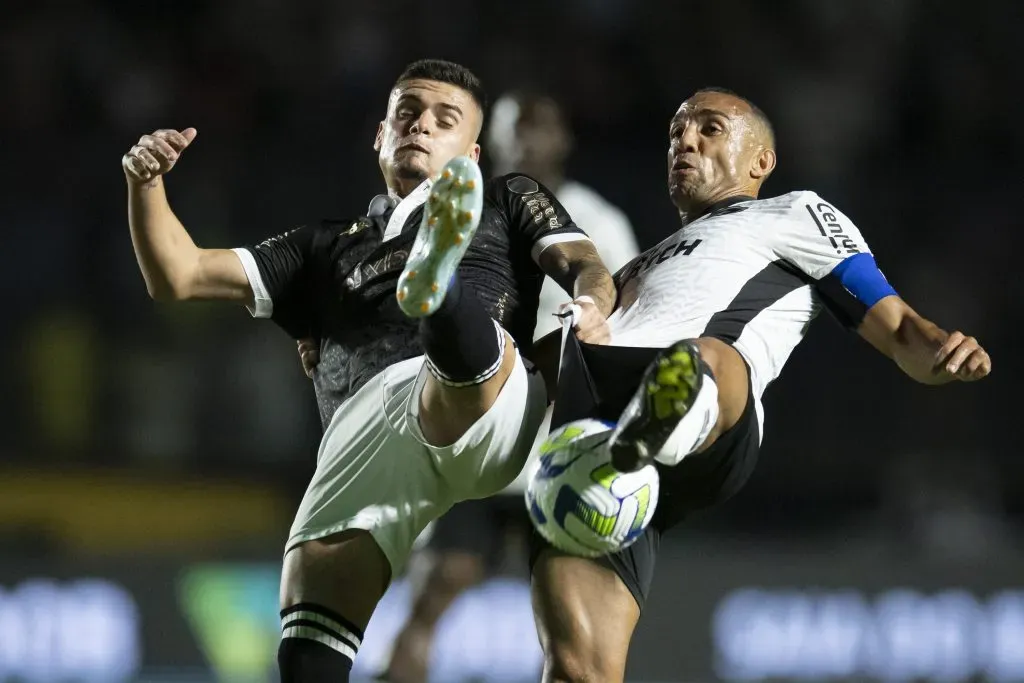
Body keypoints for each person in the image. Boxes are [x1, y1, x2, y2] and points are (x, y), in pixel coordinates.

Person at [120, 58, 616, 683]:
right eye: (407, 113)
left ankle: (437, 289)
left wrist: (592, 305)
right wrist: (146, 184)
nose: (421, 125)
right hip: (367, 440)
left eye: (445, 119)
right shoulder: (322, 246)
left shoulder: (508, 197)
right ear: (381, 134)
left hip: (482, 402)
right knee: (309, 635)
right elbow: (179, 273)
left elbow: (586, 265)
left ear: (472, 152)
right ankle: (434, 289)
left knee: (448, 371)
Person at [527, 87, 992, 683]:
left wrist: (939, 355)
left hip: (715, 411)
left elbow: (897, 324)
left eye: (709, 128)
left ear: (761, 161)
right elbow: (545, 369)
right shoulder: (632, 268)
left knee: (702, 357)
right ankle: (637, 439)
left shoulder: (793, 214)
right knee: (575, 670)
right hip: (590, 447)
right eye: (675, 132)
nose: (685, 141)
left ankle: (665, 421)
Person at [362, 91, 640, 683]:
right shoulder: (464, 212)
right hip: (480, 436)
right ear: (491, 141)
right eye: (513, 130)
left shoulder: (600, 222)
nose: (525, 143)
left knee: (574, 628)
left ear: (563, 140)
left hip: (563, 445)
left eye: (538, 129)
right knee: (431, 596)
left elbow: (629, 321)